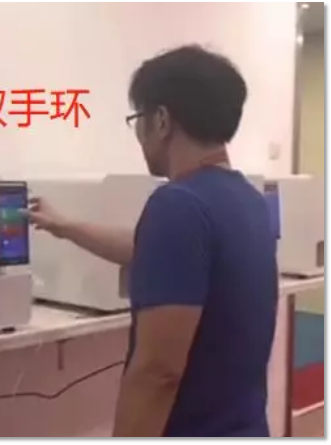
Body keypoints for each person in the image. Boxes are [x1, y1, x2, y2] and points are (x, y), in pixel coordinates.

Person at [27, 45, 279, 437]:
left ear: (161, 120)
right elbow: (160, 252)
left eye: (137, 119)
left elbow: (158, 372)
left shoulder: (178, 204)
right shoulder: (249, 201)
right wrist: (66, 226)